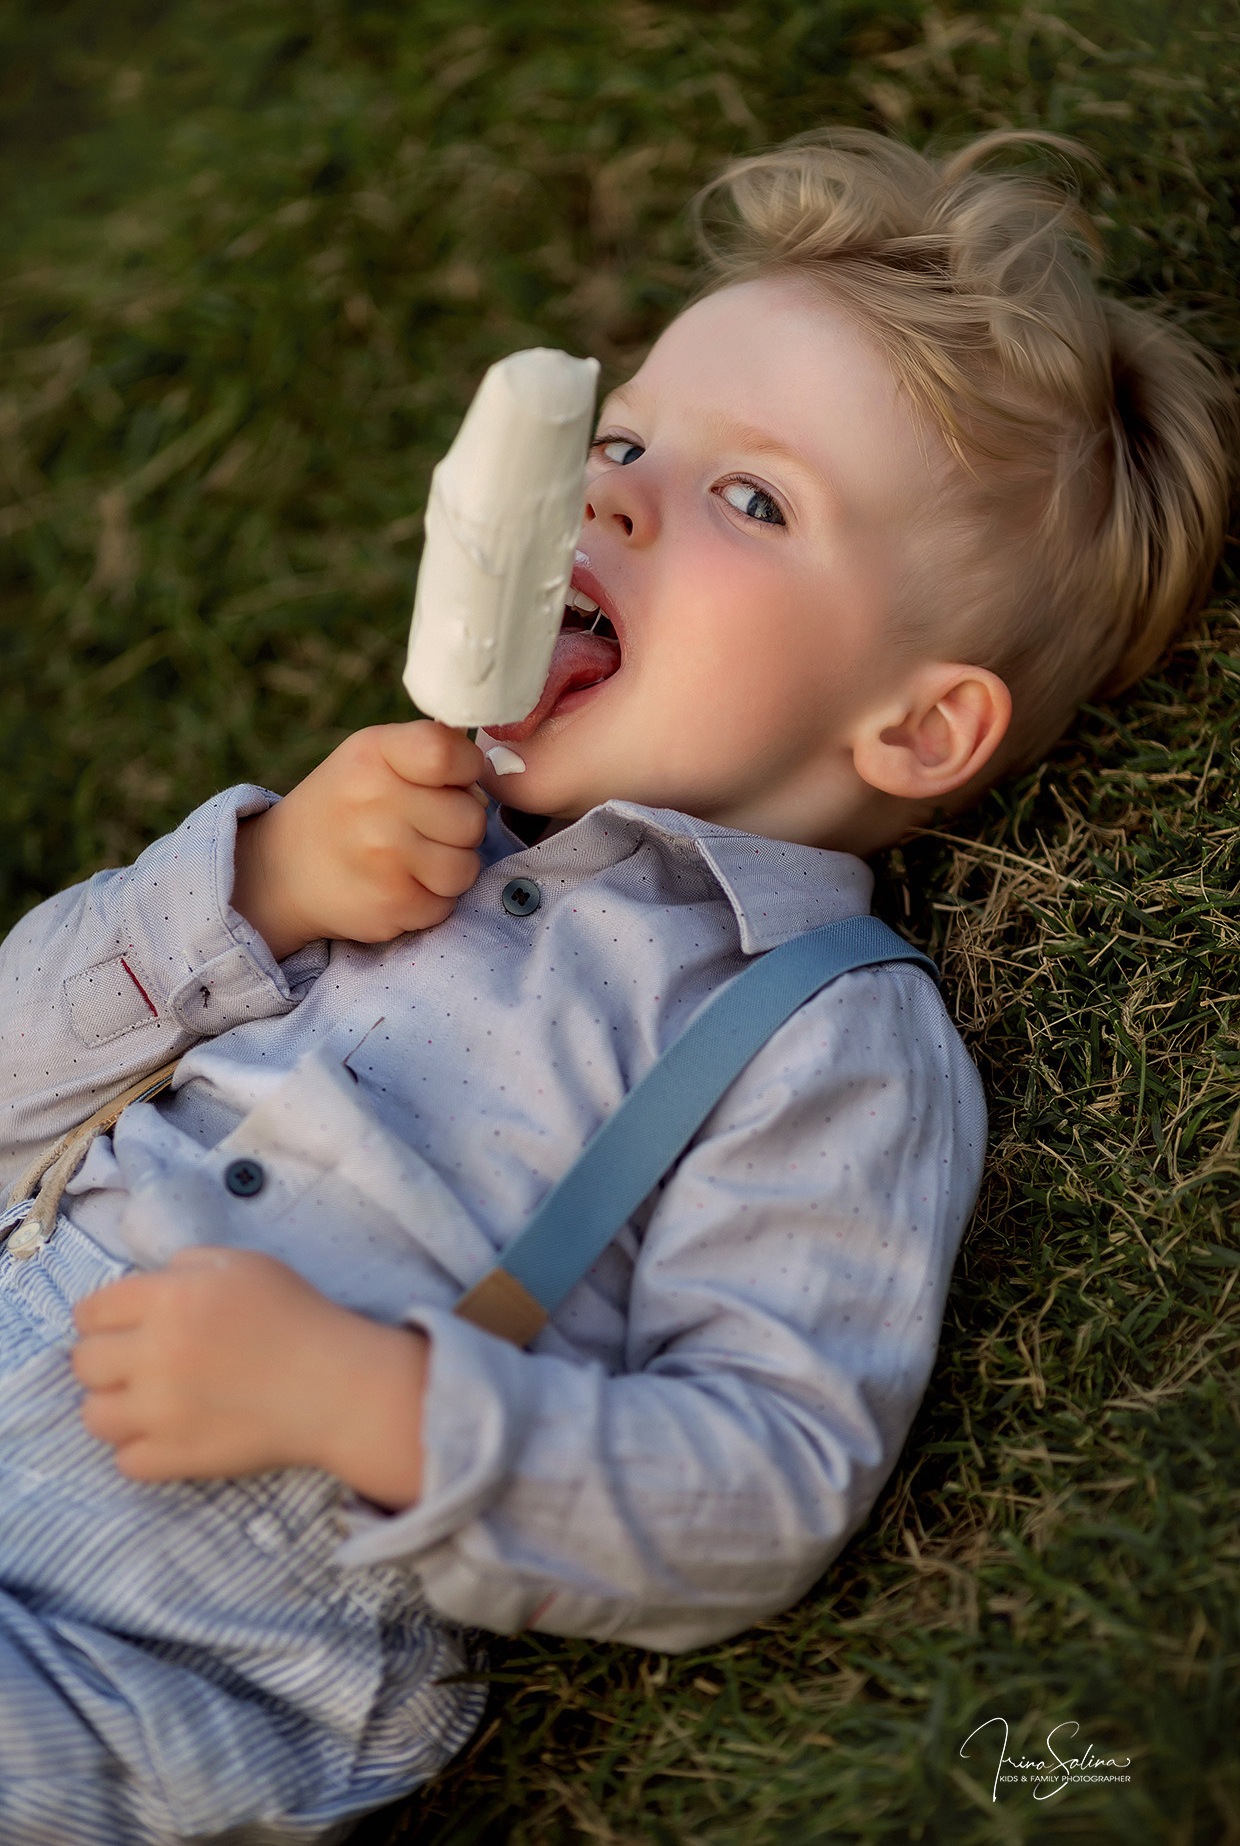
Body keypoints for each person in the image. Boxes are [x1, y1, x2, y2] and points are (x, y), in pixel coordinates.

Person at [0, 129, 1231, 1845]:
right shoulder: (364, 834)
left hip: (165, 1645)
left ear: (915, 727)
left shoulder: (820, 1035)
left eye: (753, 498)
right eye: (628, 437)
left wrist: (374, 1405)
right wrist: (259, 885)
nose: (608, 491)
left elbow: (764, 1486)